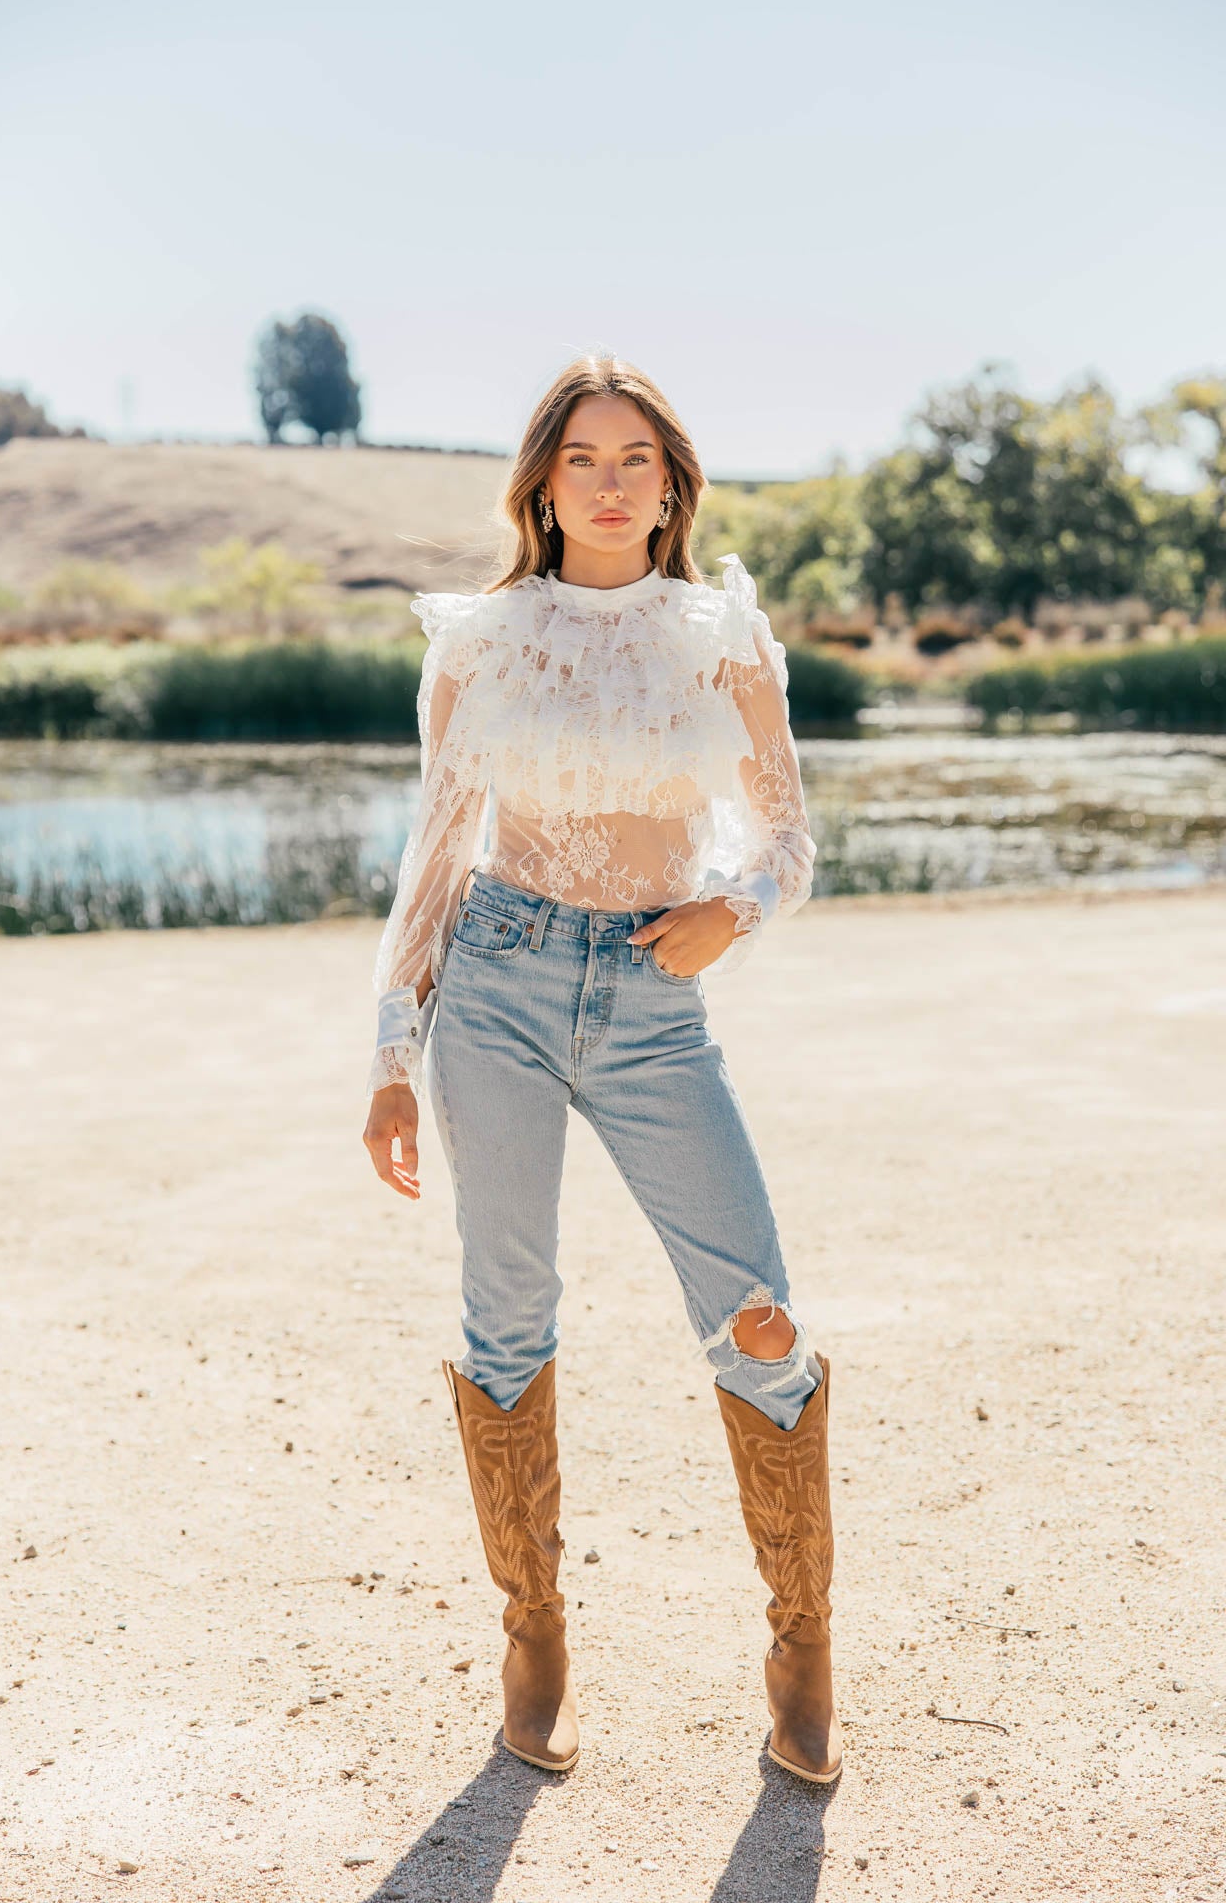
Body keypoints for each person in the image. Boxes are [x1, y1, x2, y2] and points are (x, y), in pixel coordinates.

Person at [361, 352, 842, 1785]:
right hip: (495, 984)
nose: (614, 480)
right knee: (505, 1318)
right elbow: (434, 852)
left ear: (673, 482)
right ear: (544, 481)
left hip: (654, 995)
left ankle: (803, 1648)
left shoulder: (722, 636)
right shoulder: (483, 639)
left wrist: (734, 910)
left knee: (756, 1315)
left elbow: (790, 844)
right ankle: (535, 1637)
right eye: (587, 457)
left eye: (638, 457)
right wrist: (392, 1051)